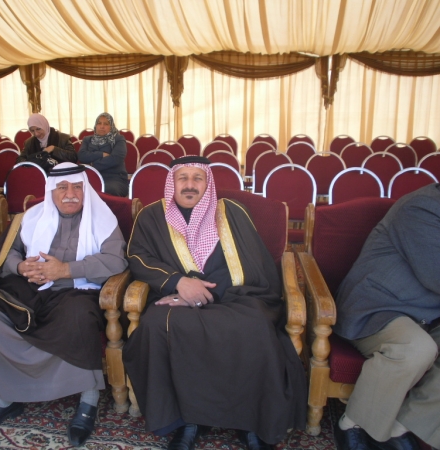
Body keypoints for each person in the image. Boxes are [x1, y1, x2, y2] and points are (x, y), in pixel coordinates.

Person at [122, 156, 307, 450]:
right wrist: (179, 283)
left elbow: (253, 262)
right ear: (172, 182)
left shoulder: (231, 211)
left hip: (235, 296)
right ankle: (185, 421)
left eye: (198, 178)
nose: (190, 185)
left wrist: (206, 293)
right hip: (175, 295)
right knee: (157, 325)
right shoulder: (152, 215)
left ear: (208, 183)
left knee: (256, 325)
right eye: (183, 178)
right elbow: (138, 257)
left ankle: (250, 422)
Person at [0, 162, 127, 446]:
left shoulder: (103, 219)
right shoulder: (30, 217)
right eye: (62, 188)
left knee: (80, 317)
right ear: (51, 191)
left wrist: (66, 270)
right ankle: (4, 398)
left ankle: (88, 400)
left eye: (77, 187)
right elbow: (6, 252)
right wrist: (20, 266)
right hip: (30, 289)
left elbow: (115, 261)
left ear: (85, 189)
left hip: (76, 290)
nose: (70, 194)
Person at [333, 183, 440, 450]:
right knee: (415, 349)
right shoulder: (422, 207)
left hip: (429, 313)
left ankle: (403, 425)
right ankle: (353, 423)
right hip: (379, 307)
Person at [78, 113, 128, 197]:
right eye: (99, 123)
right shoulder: (87, 139)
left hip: (114, 178)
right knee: (78, 189)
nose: (102, 126)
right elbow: (81, 156)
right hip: (90, 176)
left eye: (106, 124)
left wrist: (91, 165)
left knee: (106, 190)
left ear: (111, 126)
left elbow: (115, 159)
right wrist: (101, 154)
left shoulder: (118, 139)